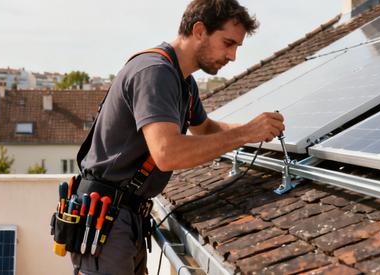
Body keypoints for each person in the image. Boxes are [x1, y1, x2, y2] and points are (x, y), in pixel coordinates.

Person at [72, 0, 284, 274]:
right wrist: (246, 133)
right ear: (199, 31)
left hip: (126, 219)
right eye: (228, 43)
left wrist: (255, 129)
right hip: (107, 220)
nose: (232, 56)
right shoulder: (155, 72)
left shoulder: (183, 81)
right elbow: (167, 153)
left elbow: (205, 129)